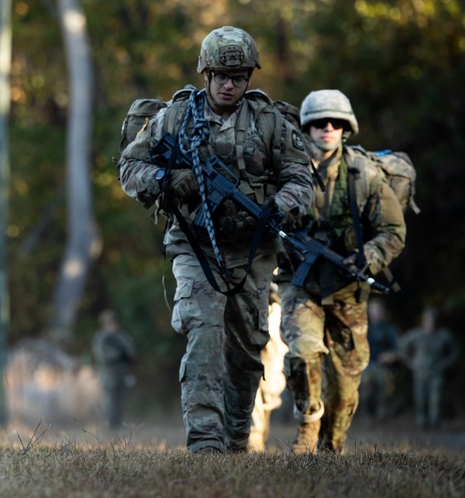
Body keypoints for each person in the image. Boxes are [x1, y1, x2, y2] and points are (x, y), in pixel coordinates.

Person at [117, 25, 314, 454]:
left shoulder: (269, 123)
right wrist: (167, 180)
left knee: (247, 352)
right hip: (196, 247)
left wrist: (279, 206)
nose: (229, 85)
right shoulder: (174, 118)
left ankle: (238, 439)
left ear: (249, 79)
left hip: (253, 250)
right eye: (222, 76)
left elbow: (302, 178)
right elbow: (129, 169)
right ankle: (205, 444)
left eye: (239, 77)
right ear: (205, 74)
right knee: (203, 336)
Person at [278, 89, 406, 454]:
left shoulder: (364, 174)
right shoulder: (290, 169)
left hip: (348, 287)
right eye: (319, 122)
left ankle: (331, 447)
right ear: (308, 127)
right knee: (302, 352)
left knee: (347, 383)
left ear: (346, 127)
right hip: (300, 283)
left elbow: (394, 232)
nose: (327, 128)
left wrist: (366, 256)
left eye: (335, 122)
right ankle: (306, 419)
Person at [398, 307, 461, 429]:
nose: (430, 323)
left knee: (436, 398)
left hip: (437, 371)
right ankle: (422, 422)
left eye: (433, 320)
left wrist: (446, 363)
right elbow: (402, 347)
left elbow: (455, 351)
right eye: (428, 320)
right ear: (424, 321)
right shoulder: (416, 334)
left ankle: (435, 422)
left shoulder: (444, 335)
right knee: (420, 398)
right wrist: (411, 362)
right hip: (420, 371)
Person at [247, 282, 288, 452]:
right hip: (246, 292)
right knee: (248, 364)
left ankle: (261, 424)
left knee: (272, 385)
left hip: (278, 301)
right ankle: (253, 434)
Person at [92, 309, 137, 430]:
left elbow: (130, 351)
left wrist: (125, 354)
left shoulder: (121, 336)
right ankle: (109, 425)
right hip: (108, 374)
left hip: (122, 373)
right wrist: (118, 355)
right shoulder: (101, 337)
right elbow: (102, 355)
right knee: (109, 401)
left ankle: (118, 425)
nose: (113, 324)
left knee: (120, 400)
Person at [360, 299, 401, 423]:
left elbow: (399, 349)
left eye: (377, 311)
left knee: (386, 393)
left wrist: (390, 355)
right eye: (372, 311)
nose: (374, 314)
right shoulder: (364, 328)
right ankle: (370, 416)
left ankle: (382, 418)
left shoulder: (391, 329)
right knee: (366, 392)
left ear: (383, 312)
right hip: (368, 365)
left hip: (384, 366)